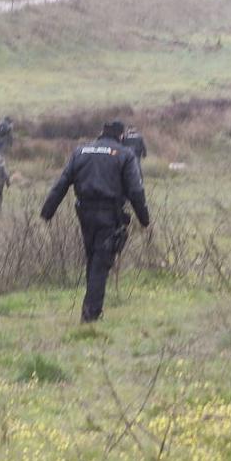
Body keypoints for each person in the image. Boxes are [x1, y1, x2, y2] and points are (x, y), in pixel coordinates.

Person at [40, 120, 151, 323]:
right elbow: (136, 190)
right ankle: (90, 315)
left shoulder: (80, 152)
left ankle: (89, 309)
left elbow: (62, 183)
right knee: (101, 263)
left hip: (85, 213)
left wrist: (47, 211)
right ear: (121, 136)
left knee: (93, 260)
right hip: (110, 214)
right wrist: (144, 219)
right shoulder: (125, 155)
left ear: (101, 134)